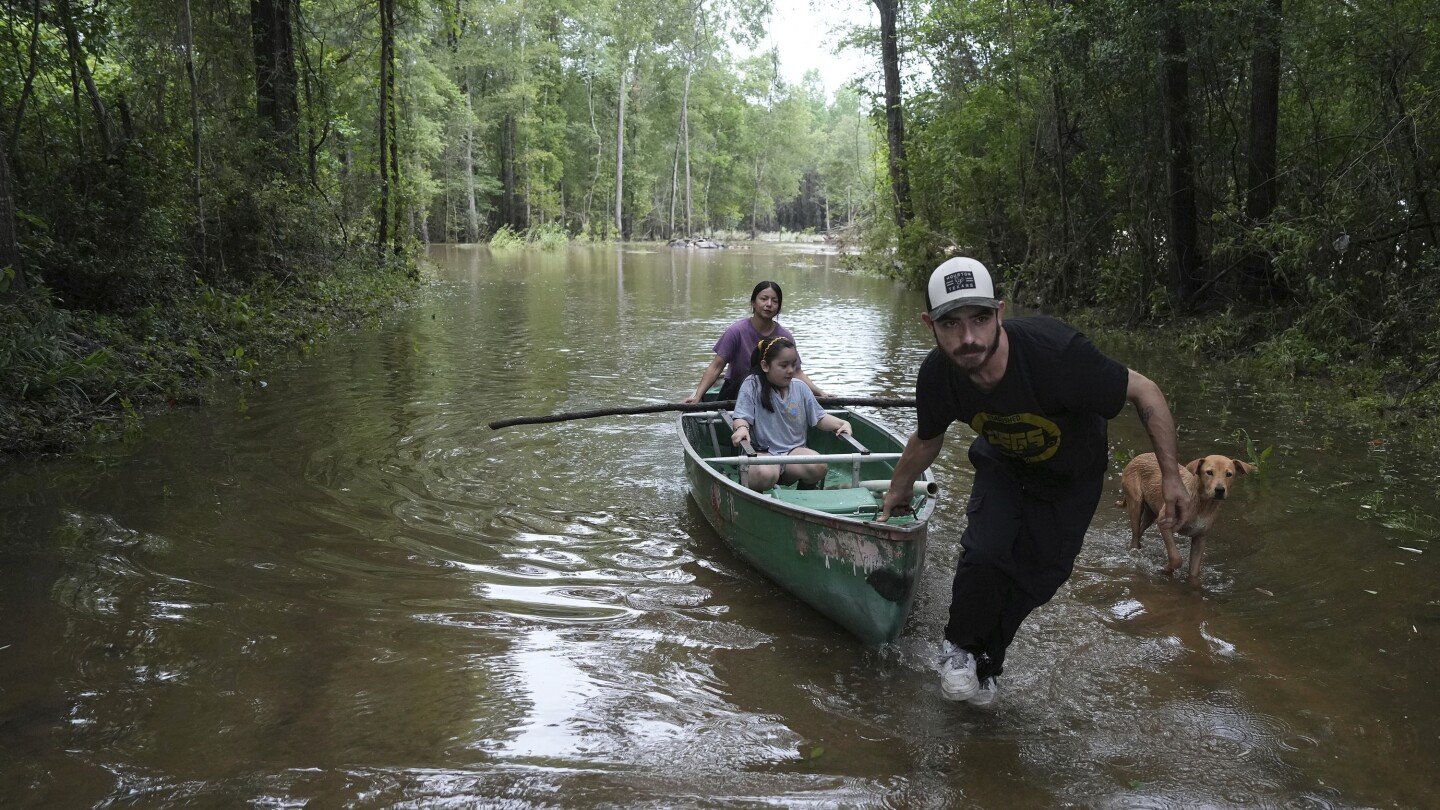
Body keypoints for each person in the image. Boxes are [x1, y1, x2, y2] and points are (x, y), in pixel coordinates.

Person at [878, 257, 1190, 707]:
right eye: (951, 323)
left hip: (1071, 478)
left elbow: (1145, 392)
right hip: (1004, 465)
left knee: (1038, 579)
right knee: (987, 551)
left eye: (981, 319)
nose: (968, 338)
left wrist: (1172, 478)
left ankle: (987, 665)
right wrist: (898, 489)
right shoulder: (939, 376)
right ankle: (958, 649)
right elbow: (927, 440)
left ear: (1000, 313)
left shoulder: (1058, 355)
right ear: (929, 323)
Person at [730, 337, 852, 492]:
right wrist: (741, 428)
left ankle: (805, 497)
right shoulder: (752, 384)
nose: (790, 370)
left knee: (819, 465)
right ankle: (755, 497)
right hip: (762, 452)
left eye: (793, 365)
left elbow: (820, 417)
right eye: (784, 365)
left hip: (792, 453)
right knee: (763, 474)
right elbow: (742, 416)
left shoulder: (800, 387)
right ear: (765, 366)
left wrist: (841, 424)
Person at [685, 281, 830, 403]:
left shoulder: (784, 336)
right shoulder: (736, 331)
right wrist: (698, 396)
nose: (769, 304)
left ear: (778, 307)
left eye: (774, 301)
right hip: (737, 391)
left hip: (773, 392)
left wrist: (820, 392)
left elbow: (796, 371)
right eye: (764, 299)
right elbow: (716, 367)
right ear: (753, 302)